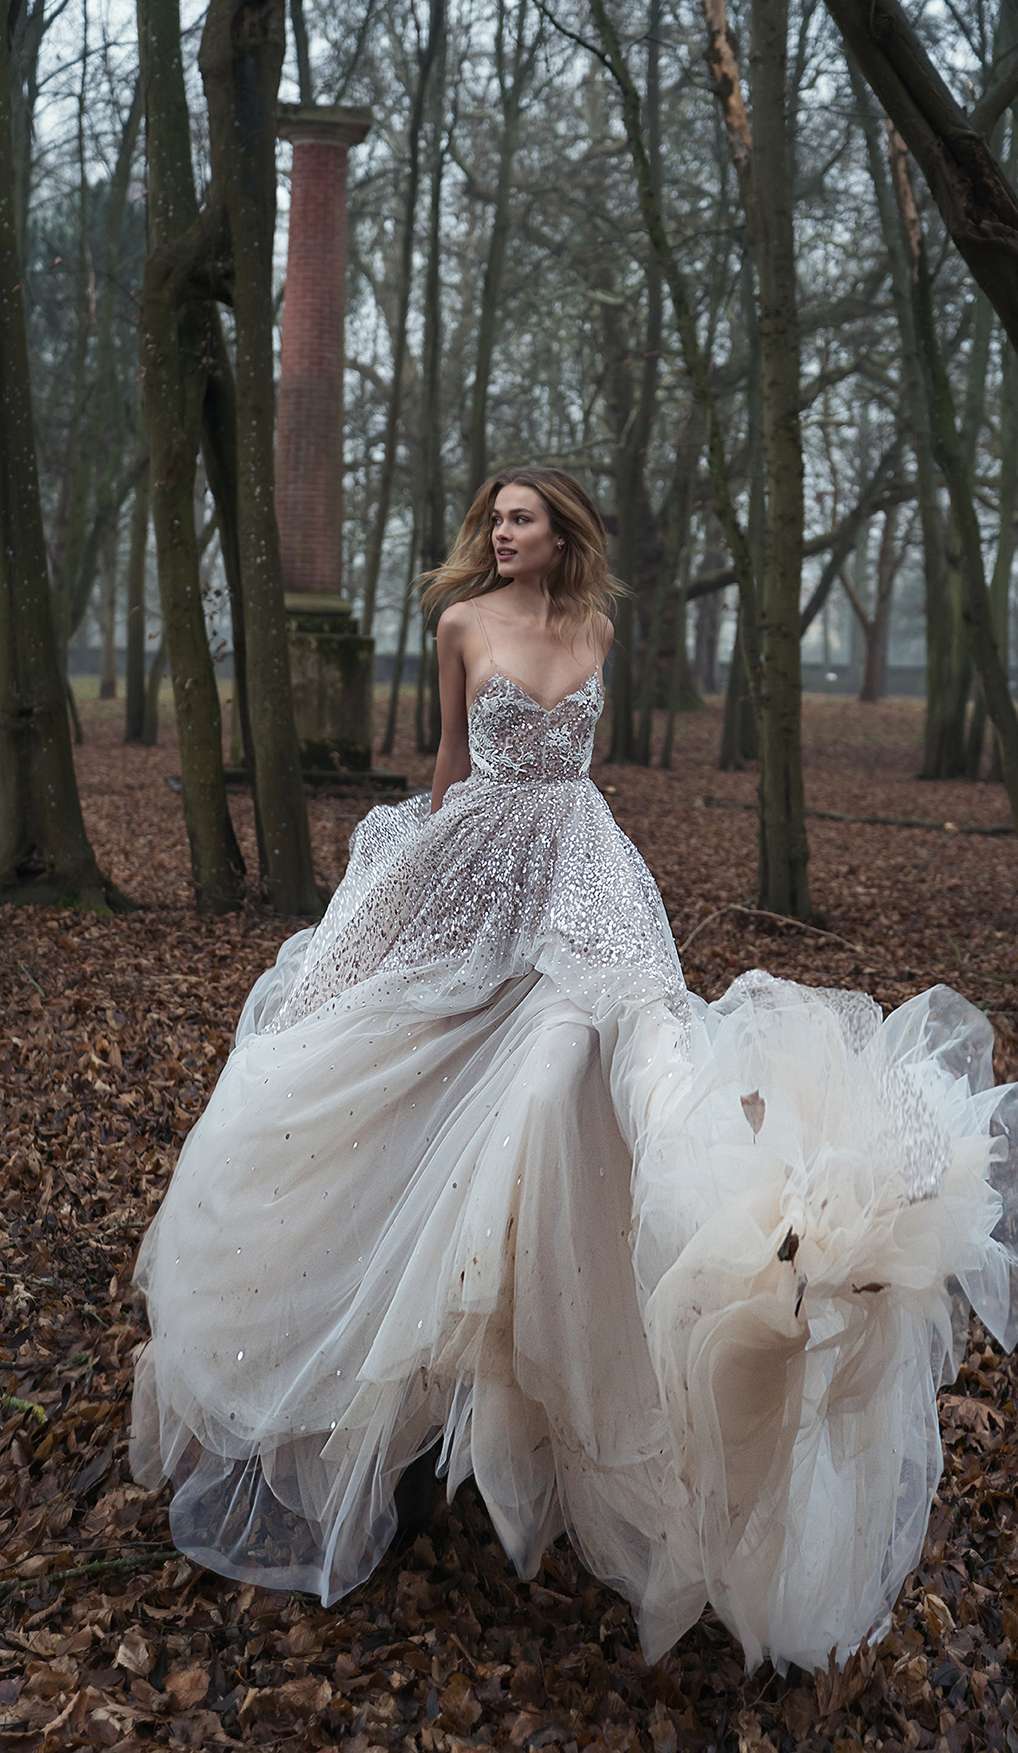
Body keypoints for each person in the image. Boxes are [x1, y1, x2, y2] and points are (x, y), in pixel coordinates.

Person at [129, 465, 1018, 1677]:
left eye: (522, 517)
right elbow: (449, 766)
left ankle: (752, 1246)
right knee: (401, 1074)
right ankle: (406, 1388)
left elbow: (576, 778)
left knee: (579, 1083)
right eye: (493, 517)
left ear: (563, 535)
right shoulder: (458, 624)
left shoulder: (596, 627)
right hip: (477, 871)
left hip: (584, 883)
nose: (501, 533)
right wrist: (383, 919)